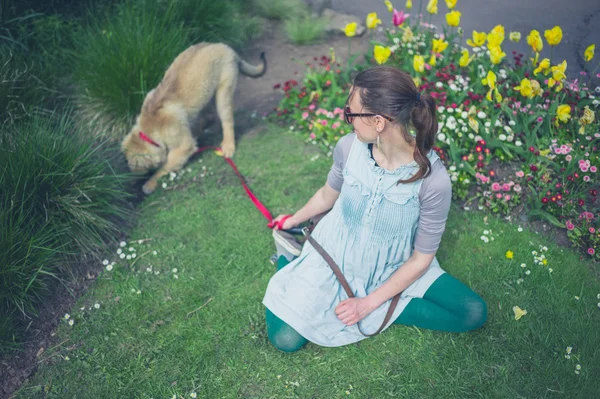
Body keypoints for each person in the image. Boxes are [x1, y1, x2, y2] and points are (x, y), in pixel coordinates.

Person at [263, 66, 487, 352]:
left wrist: (367, 305)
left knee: (472, 312)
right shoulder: (348, 148)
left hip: (393, 266)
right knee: (286, 340)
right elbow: (326, 195)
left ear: (379, 122)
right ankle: (292, 262)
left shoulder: (434, 181)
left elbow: (420, 260)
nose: (348, 121)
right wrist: (291, 221)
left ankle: (385, 306)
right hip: (335, 252)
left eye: (351, 113)